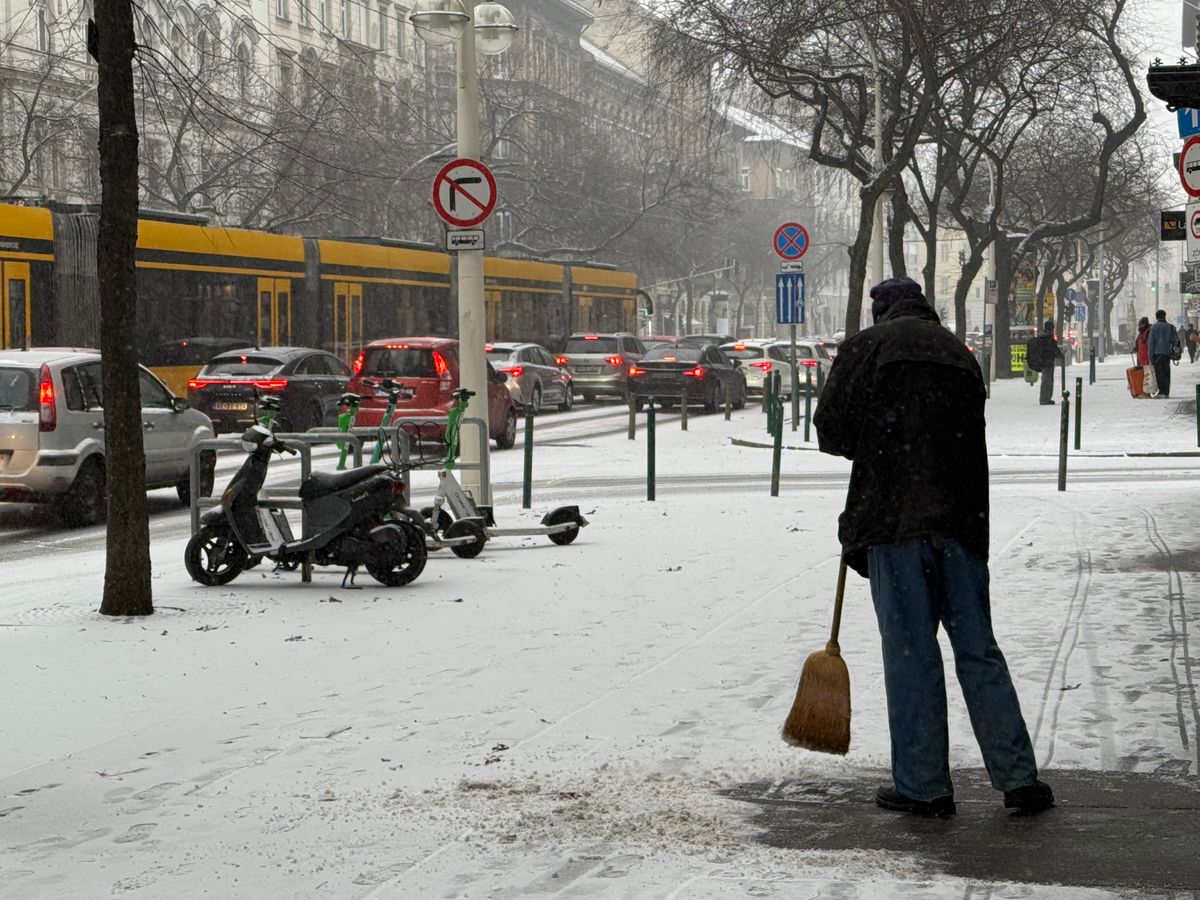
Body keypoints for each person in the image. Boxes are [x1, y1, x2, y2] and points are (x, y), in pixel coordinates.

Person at [813, 276, 1053, 818]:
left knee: (911, 652)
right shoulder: (960, 356)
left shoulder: (867, 348)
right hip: (961, 523)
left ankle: (924, 786)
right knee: (978, 649)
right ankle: (1019, 779)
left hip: (894, 523)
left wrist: (875, 436)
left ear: (881, 312)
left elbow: (831, 429)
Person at [1025, 320, 1064, 406]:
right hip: (1047, 362)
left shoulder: (1041, 337)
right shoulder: (1048, 338)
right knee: (1047, 380)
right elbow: (1053, 349)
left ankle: (1046, 398)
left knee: (1047, 380)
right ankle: (1045, 399)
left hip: (1043, 361)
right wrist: (1060, 356)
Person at [1147, 309, 1177, 398]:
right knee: (1167, 372)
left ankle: (1162, 392)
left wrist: (1150, 356)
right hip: (1167, 353)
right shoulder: (1171, 327)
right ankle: (1166, 392)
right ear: (1165, 316)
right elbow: (1174, 341)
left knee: (1159, 373)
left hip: (1157, 354)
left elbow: (1151, 343)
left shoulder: (1154, 328)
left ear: (1156, 317)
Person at [1135, 317, 1154, 399]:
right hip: (1141, 357)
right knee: (1145, 375)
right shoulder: (1141, 333)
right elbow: (1138, 344)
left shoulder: (1149, 332)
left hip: (1147, 357)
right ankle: (1146, 392)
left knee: (1147, 376)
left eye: (1141, 324)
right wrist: (1135, 348)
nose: (1140, 326)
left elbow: (1149, 345)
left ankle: (1147, 393)